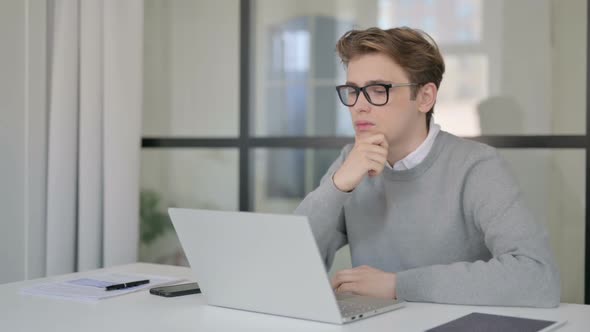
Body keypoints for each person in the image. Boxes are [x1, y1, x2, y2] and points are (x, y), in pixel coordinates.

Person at [294, 27, 560, 307]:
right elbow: (289, 264)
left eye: (376, 90)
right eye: (352, 91)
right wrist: (337, 186)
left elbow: (537, 275)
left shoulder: (477, 166)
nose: (359, 105)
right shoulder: (351, 162)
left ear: (425, 97)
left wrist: (398, 285)